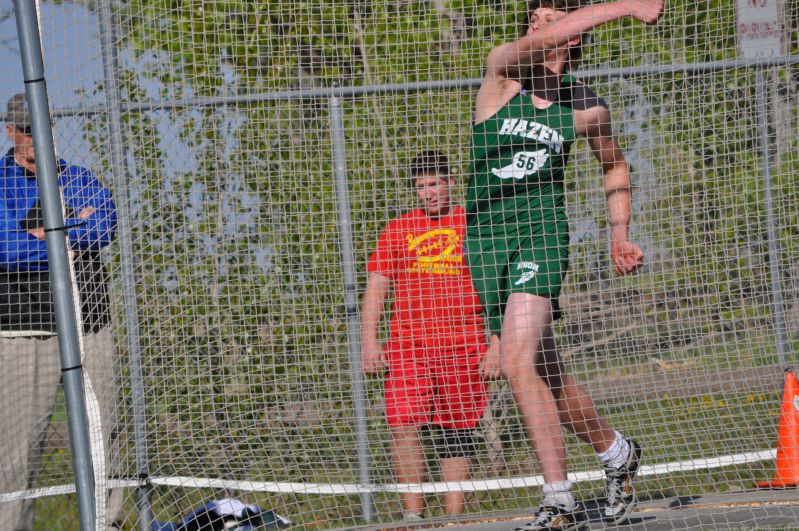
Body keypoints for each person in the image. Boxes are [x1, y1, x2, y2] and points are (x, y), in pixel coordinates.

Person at [464, 0, 664, 528]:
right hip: (484, 239)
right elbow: (552, 34)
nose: (538, 25)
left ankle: (558, 500)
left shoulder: (586, 107)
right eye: (534, 18)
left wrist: (619, 234)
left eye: (550, 19)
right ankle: (616, 451)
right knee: (545, 373)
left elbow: (615, 163)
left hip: (541, 235)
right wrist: (628, 6)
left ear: (573, 37)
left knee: (516, 364)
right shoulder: (503, 73)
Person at [0, 93, 123, 530]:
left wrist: (41, 233)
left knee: (103, 437)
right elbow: (6, 247)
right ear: (11, 131)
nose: (36, 138)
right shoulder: (0, 181)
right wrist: (71, 226)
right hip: (25, 331)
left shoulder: (77, 176)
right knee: (17, 450)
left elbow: (105, 222)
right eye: (26, 129)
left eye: (42, 128)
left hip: (89, 324)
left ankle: (106, 523)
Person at [361, 150, 500, 520]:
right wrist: (369, 341)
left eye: (435, 183)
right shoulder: (398, 229)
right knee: (403, 423)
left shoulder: (475, 223)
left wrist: (498, 345)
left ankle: (453, 520)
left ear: (450, 182)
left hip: (465, 344)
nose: (428, 193)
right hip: (409, 346)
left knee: (455, 431)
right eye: (421, 187)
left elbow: (501, 286)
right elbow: (377, 287)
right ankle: (414, 517)